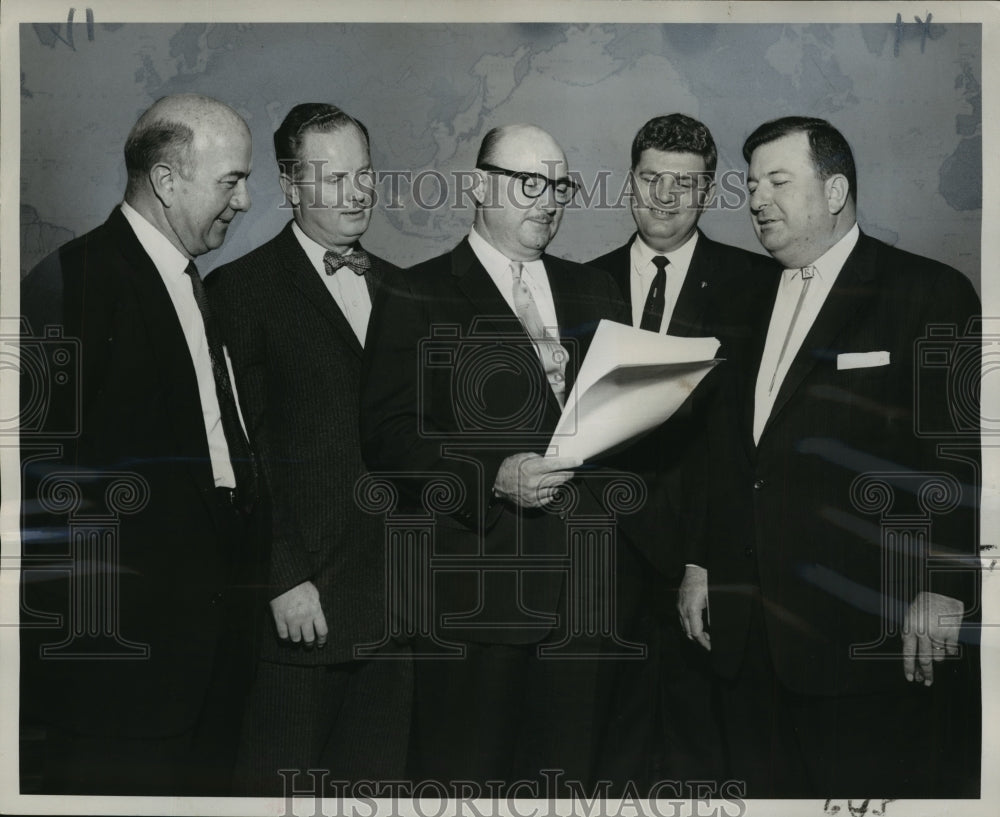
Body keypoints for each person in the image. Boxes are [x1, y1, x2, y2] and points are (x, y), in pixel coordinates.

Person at [678, 116, 981, 797]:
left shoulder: (928, 293)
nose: (757, 199)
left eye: (779, 181)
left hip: (869, 638)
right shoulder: (737, 301)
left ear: (836, 188)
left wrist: (946, 585)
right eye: (751, 184)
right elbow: (724, 456)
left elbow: (959, 458)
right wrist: (701, 560)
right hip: (747, 641)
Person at [360, 123, 628, 790]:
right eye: (529, 183)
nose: (549, 200)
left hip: (588, 599)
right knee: (466, 785)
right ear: (479, 185)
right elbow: (389, 434)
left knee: (571, 789)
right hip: (475, 598)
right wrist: (493, 475)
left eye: (560, 186)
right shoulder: (416, 291)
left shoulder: (596, 289)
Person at [20, 93, 260, 795]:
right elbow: (38, 487)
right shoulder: (72, 282)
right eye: (231, 181)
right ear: (166, 179)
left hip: (204, 666)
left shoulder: (191, 282)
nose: (244, 202)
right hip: (122, 680)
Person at [206, 103, 411, 795]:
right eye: (332, 178)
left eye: (364, 174)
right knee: (279, 794)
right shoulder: (239, 290)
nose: (355, 193)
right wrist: (283, 576)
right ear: (291, 187)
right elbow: (244, 451)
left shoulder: (403, 288)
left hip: (397, 607)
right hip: (301, 608)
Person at [588, 113, 770, 787]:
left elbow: (750, 442)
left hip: (707, 556)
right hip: (602, 564)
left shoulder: (758, 286)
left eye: (683, 184)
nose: (664, 197)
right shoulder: (581, 283)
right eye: (650, 178)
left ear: (708, 191)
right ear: (629, 181)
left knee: (706, 755)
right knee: (609, 755)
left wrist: (705, 556)